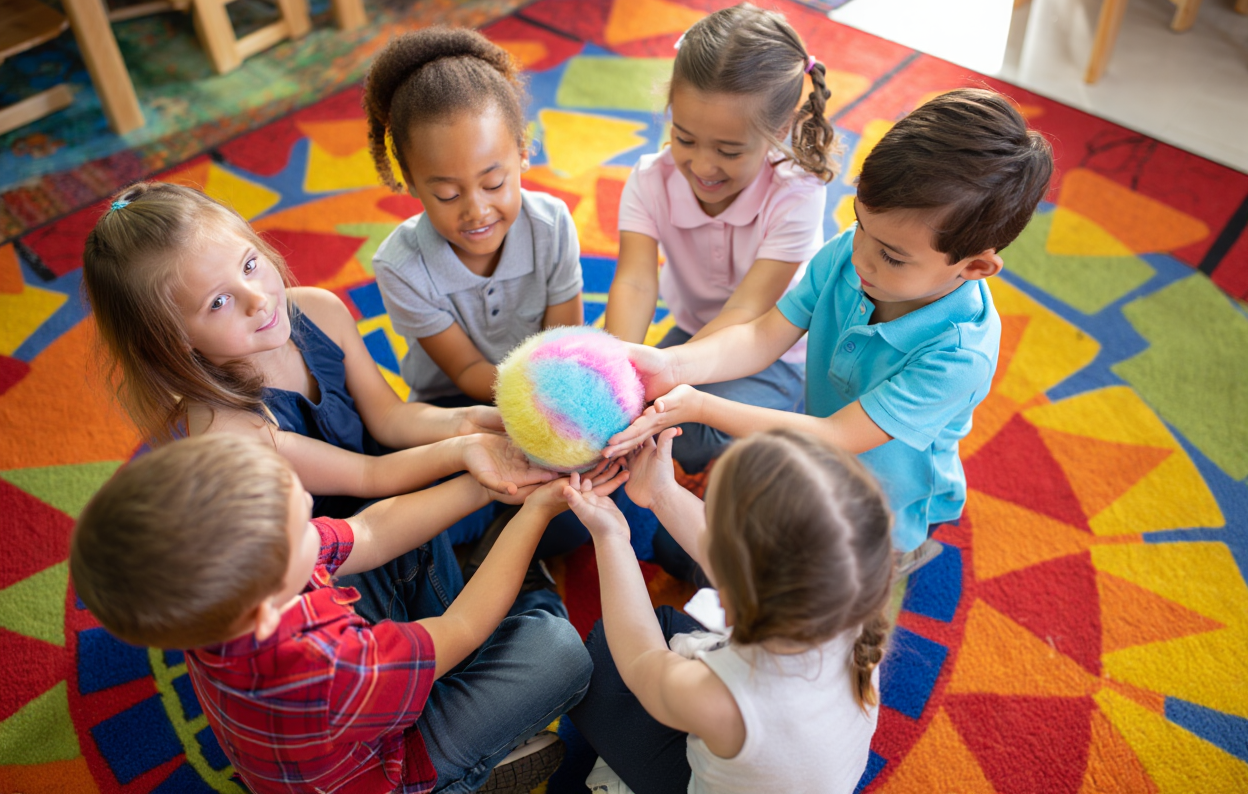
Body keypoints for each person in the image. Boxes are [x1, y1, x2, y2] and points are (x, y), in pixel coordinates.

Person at [605, 88, 1055, 574]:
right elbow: (762, 336)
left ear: (977, 267)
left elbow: (835, 436)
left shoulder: (961, 354)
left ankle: (901, 553)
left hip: (876, 503)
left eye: (892, 256)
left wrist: (696, 401)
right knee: (682, 553)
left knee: (775, 588)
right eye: (861, 225)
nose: (860, 257)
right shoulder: (850, 253)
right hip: (812, 457)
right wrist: (671, 366)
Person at [81, 181, 559, 617]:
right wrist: (469, 454)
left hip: (387, 480)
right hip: (336, 549)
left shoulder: (317, 310)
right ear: (171, 339)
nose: (258, 299)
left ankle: (484, 546)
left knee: (546, 483)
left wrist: (473, 420)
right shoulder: (227, 432)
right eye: (218, 303)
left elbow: (389, 418)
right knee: (445, 566)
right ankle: (506, 589)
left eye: (250, 264)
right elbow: (370, 477)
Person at [69, 433, 629, 793]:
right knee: (558, 651)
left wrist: (487, 489)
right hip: (390, 764)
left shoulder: (235, 589)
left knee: (406, 539)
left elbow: (371, 530)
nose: (311, 516)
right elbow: (461, 629)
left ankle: (483, 618)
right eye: (300, 522)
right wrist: (532, 514)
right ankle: (461, 781)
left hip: (346, 719)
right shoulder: (327, 664)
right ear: (269, 606)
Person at [560, 428, 893, 794]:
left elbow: (640, 662)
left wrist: (610, 536)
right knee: (664, 625)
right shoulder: (848, 602)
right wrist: (661, 493)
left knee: (594, 660)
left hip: (712, 737)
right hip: (771, 753)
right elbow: (750, 563)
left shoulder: (721, 700)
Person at [603, 3, 833, 478]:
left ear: (781, 130)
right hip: (695, 333)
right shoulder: (650, 181)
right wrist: (617, 379)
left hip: (777, 353)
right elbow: (635, 285)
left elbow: (746, 314)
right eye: (685, 139)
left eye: (729, 151)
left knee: (680, 436)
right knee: (637, 420)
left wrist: (660, 380)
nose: (704, 167)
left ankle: (785, 421)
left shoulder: (797, 193)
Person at [365, 27, 583, 408]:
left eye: (494, 183)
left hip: (550, 384)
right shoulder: (399, 267)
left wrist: (553, 395)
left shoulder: (552, 226)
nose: (476, 211)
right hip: (450, 402)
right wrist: (533, 400)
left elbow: (564, 340)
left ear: (522, 152)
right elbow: (465, 370)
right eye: (448, 194)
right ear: (411, 179)